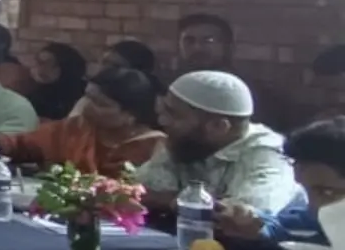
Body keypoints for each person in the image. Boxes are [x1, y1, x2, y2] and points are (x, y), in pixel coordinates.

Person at [138, 71, 300, 217]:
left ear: (218, 126)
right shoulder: (186, 143)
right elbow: (136, 192)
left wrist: (173, 201)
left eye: (174, 115)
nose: (162, 121)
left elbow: (241, 216)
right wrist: (177, 201)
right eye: (165, 111)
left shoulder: (267, 154)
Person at [0, 67, 163, 177]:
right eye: (88, 97)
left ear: (130, 115)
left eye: (100, 104)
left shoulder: (151, 147)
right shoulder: (76, 128)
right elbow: (24, 144)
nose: (88, 107)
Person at [215, 117, 344, 249]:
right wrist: (252, 224)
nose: (313, 206)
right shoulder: (311, 218)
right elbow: (284, 229)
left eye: (327, 193)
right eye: (306, 190)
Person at [25, 43, 90, 120]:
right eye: (39, 62)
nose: (40, 68)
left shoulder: (85, 93)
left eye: (48, 63)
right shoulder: (33, 92)